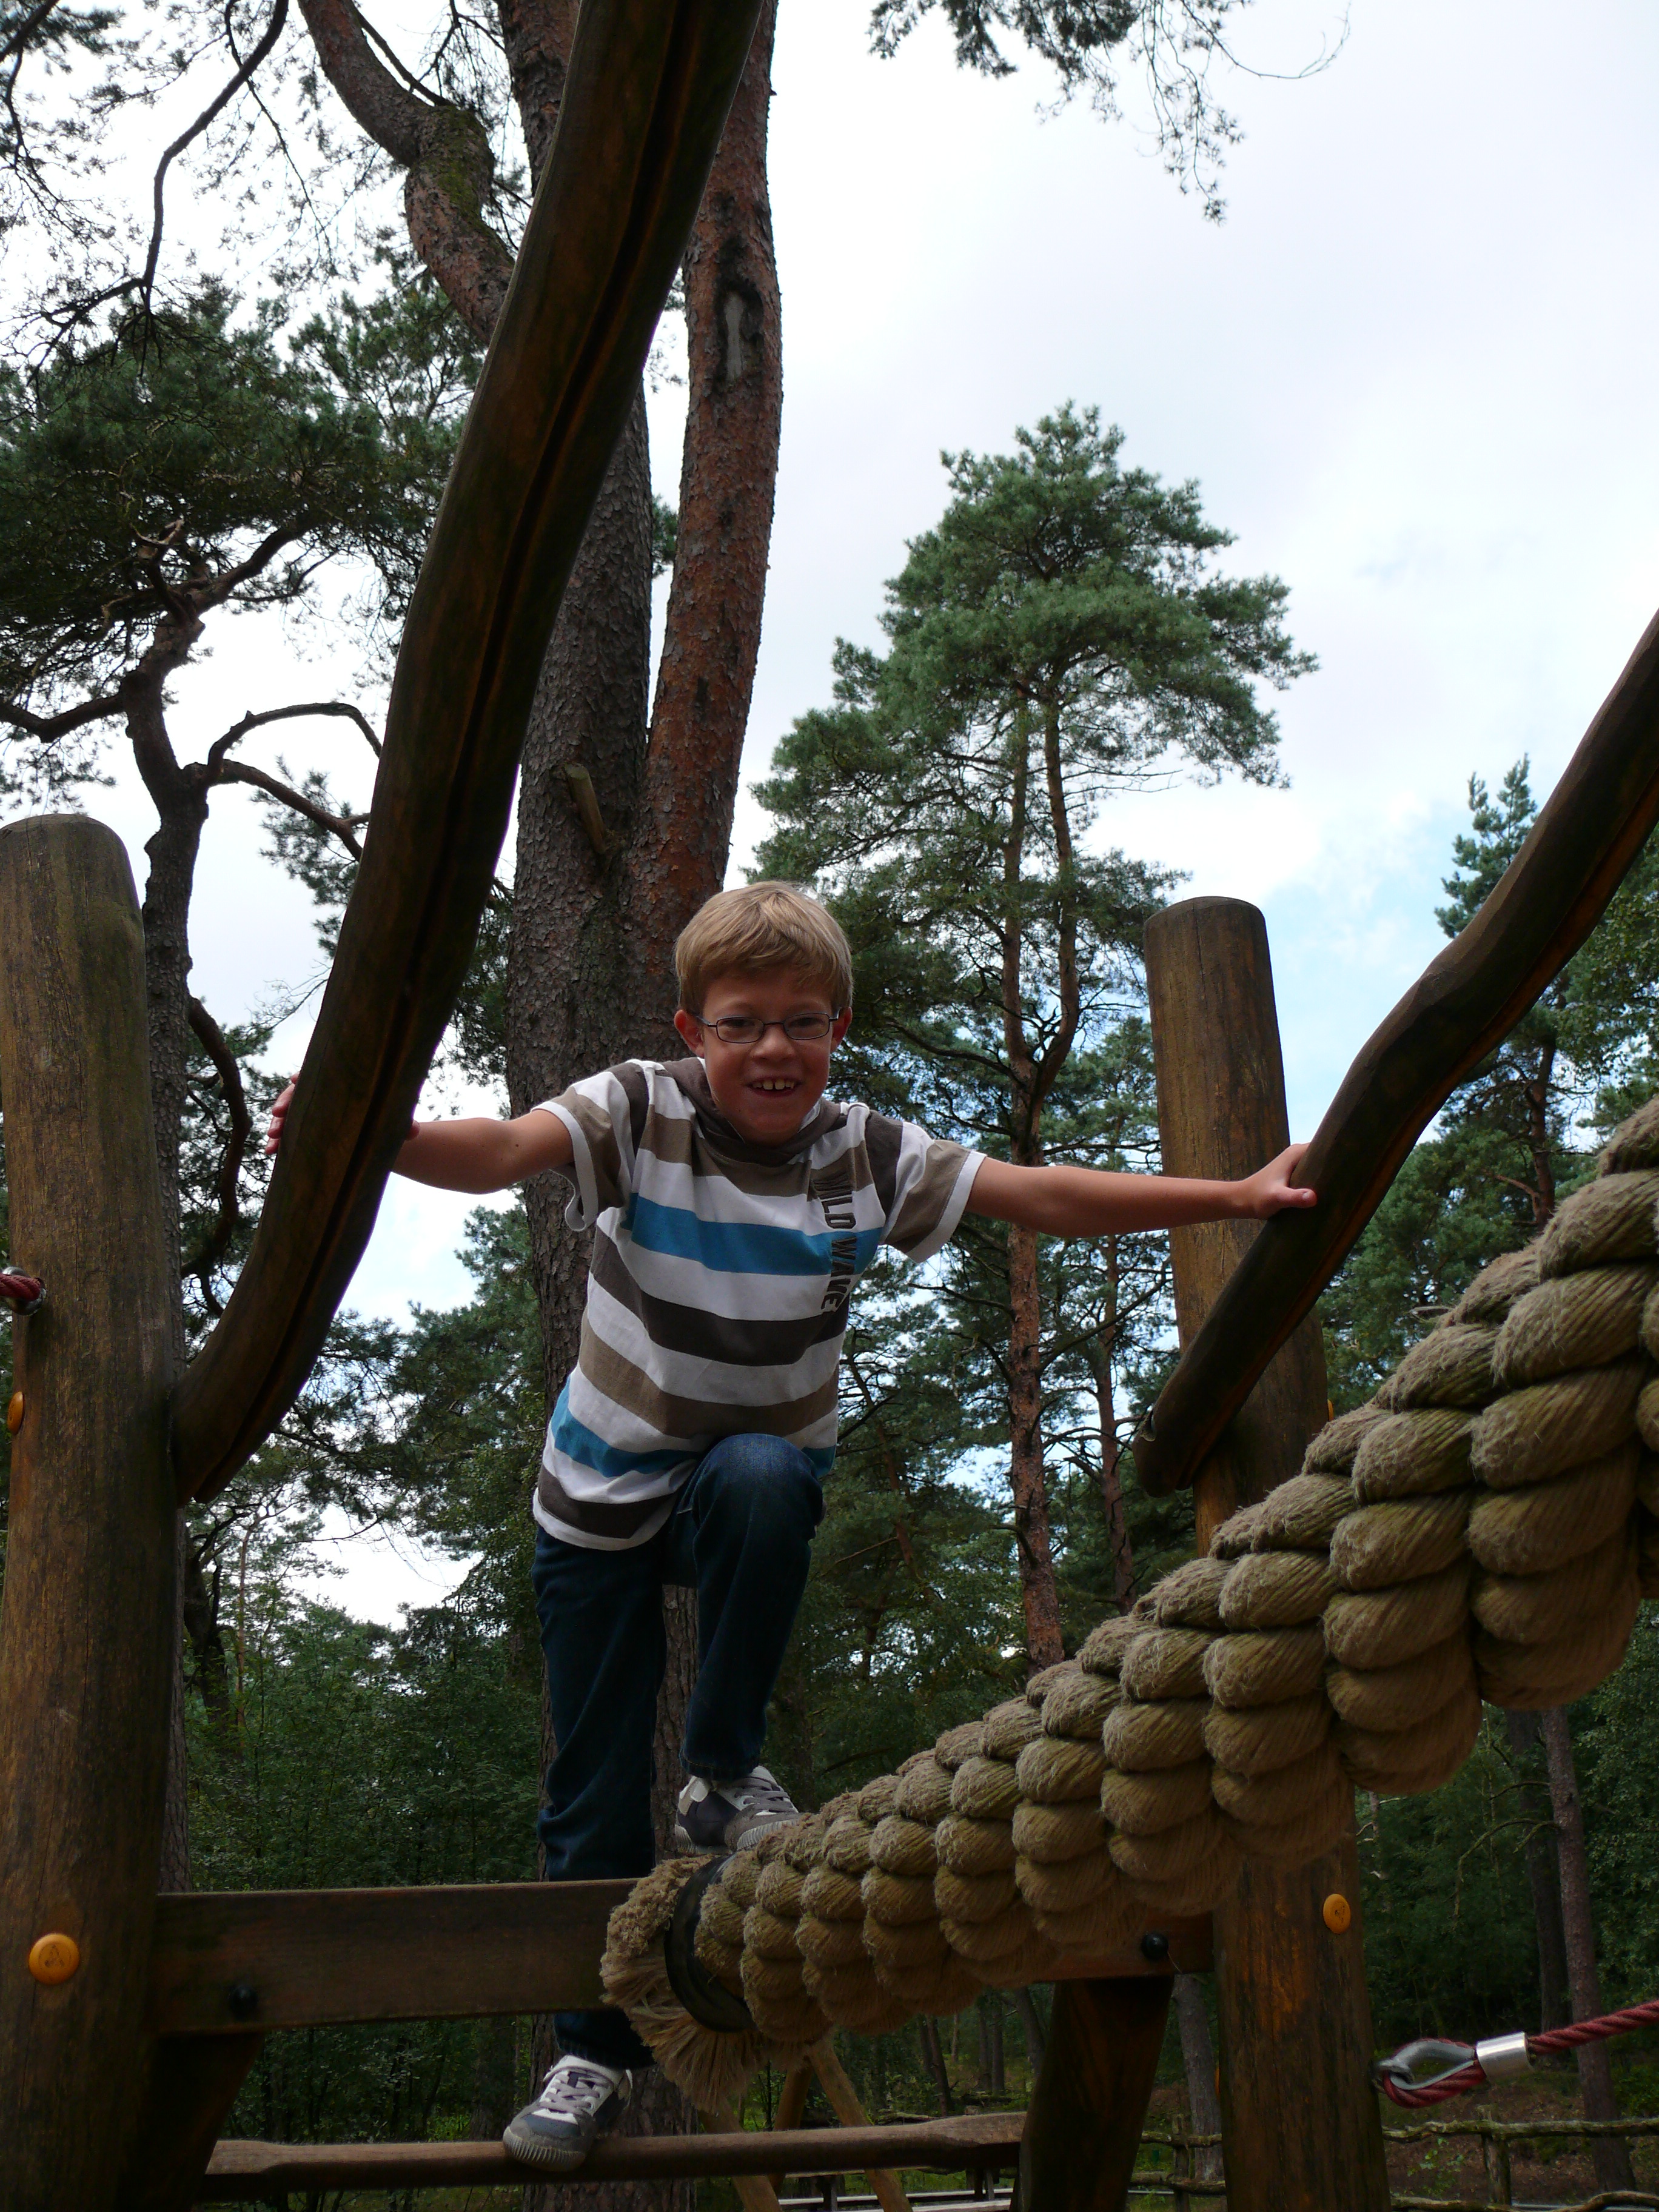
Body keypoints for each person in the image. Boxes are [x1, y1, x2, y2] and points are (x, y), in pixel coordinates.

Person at [266, 881, 1316, 2173]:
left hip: (739, 1487)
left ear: (838, 1030)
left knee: (765, 1477)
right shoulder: (638, 1109)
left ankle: (721, 1774)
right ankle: (590, 2055)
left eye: (802, 1024)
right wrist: (377, 1135)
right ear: (692, 1031)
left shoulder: (866, 1154)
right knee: (591, 1797)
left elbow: (1038, 1195)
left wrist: (1230, 1199)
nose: (774, 1049)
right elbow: (497, 1152)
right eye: (742, 1024)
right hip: (597, 1500)